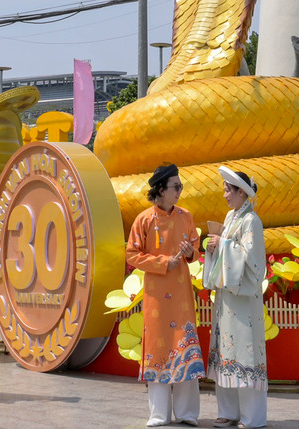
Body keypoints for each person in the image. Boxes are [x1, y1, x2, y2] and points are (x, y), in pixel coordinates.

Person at [126, 162, 203, 428]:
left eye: (181, 187)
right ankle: (159, 415)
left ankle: (187, 414)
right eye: (175, 187)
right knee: (158, 349)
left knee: (184, 348)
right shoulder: (143, 220)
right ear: (160, 189)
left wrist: (189, 251)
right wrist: (162, 264)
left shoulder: (186, 216)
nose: (180, 191)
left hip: (181, 296)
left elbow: (195, 248)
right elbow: (132, 254)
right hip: (157, 297)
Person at [206, 166, 268, 429]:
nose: (225, 195)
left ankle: (251, 417)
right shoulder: (231, 216)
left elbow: (253, 259)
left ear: (242, 193)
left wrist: (223, 244)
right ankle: (228, 411)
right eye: (225, 189)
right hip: (227, 298)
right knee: (226, 352)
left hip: (243, 299)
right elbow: (229, 251)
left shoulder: (251, 221)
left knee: (245, 353)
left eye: (228, 190)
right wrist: (215, 247)